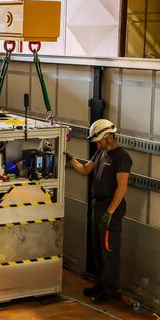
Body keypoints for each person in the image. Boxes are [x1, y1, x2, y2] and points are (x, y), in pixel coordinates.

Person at [66, 119, 131, 303]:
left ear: (109, 137)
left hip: (111, 208)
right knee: (98, 249)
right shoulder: (100, 153)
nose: (97, 143)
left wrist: (110, 213)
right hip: (98, 205)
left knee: (110, 251)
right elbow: (86, 170)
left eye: (99, 140)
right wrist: (70, 159)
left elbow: (122, 187)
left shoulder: (121, 157)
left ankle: (111, 291)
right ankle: (101, 285)